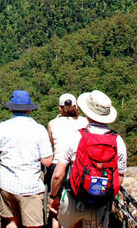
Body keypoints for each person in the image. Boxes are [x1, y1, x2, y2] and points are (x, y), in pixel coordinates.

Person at [49, 90, 126, 228]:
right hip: (100, 205)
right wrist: (104, 198)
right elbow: (119, 177)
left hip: (74, 199)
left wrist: (54, 196)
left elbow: (58, 174)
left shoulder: (75, 137)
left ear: (88, 113)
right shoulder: (118, 141)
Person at [0, 90, 54, 228]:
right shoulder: (39, 129)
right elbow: (47, 161)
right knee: (34, 225)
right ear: (29, 110)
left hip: (6, 184)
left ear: (11, 108)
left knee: (11, 222)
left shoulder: (0, 128)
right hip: (30, 186)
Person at [46, 93, 88, 228]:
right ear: (76, 106)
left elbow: (51, 144)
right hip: (78, 167)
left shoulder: (53, 123)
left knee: (56, 210)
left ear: (60, 108)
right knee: (77, 209)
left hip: (57, 167)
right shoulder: (84, 122)